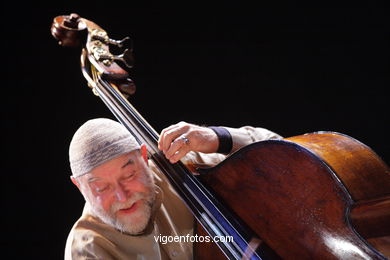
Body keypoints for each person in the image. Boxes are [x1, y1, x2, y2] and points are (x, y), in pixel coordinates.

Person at [65, 118, 282, 259]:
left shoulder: (180, 168)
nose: (123, 196)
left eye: (130, 175)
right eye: (101, 188)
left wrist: (218, 139)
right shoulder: (87, 250)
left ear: (143, 157)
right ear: (79, 186)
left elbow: (284, 154)